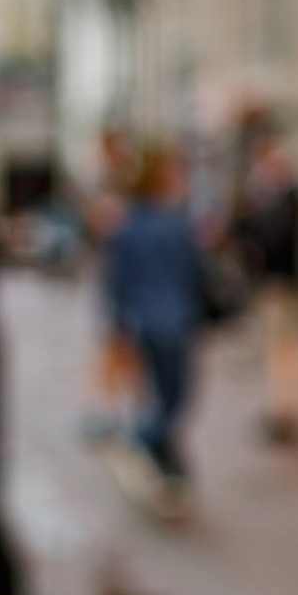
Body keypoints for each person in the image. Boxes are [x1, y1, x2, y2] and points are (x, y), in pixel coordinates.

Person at [104, 145, 204, 506]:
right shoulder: (175, 226)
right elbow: (195, 274)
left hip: (145, 321)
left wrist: (117, 326)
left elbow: (116, 282)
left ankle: (168, 463)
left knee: (160, 395)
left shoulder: (128, 226)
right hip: (173, 321)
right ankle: (141, 443)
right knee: (175, 398)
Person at [232, 136, 298, 443]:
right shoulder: (274, 199)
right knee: (278, 350)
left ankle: (290, 410)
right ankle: (282, 406)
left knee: (288, 348)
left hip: (284, 286)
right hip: (273, 285)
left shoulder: (289, 199)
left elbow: (274, 239)